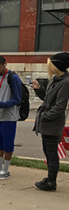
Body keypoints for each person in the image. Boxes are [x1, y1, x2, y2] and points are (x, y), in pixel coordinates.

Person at [31, 53, 69, 191]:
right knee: (48, 152)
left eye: (51, 64)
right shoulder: (55, 80)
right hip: (46, 123)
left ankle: (51, 182)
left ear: (57, 65)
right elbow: (47, 99)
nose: (49, 67)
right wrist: (39, 89)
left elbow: (60, 106)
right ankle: (49, 178)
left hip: (53, 124)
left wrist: (46, 116)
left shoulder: (65, 83)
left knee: (52, 154)